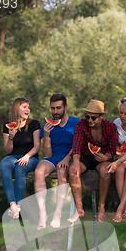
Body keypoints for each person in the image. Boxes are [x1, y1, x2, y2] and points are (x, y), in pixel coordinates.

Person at [34, 93, 80, 230]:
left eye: (58, 108)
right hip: (54, 158)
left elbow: (78, 145)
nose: (55, 112)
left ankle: (57, 213)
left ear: (65, 108)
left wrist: (67, 158)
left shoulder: (76, 123)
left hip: (71, 157)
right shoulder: (46, 126)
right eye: (53, 108)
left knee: (61, 171)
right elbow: (47, 154)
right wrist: (47, 136)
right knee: (38, 171)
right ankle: (42, 213)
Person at [69, 99, 118, 222]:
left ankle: (101, 206)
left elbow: (112, 150)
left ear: (102, 116)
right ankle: (79, 208)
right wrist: (75, 161)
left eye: (93, 118)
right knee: (73, 171)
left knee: (105, 171)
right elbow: (76, 145)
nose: (90, 120)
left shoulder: (110, 127)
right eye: (87, 117)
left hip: (103, 157)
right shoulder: (81, 125)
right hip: (85, 155)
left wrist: (105, 157)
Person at [0, 97, 40, 219]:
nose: (27, 109)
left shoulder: (34, 124)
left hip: (30, 157)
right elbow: (8, 150)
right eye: (24, 107)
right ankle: (12, 204)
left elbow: (37, 145)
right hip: (13, 157)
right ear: (17, 108)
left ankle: (19, 204)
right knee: (4, 164)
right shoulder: (7, 126)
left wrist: (27, 156)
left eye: (28, 107)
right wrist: (11, 138)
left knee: (20, 168)